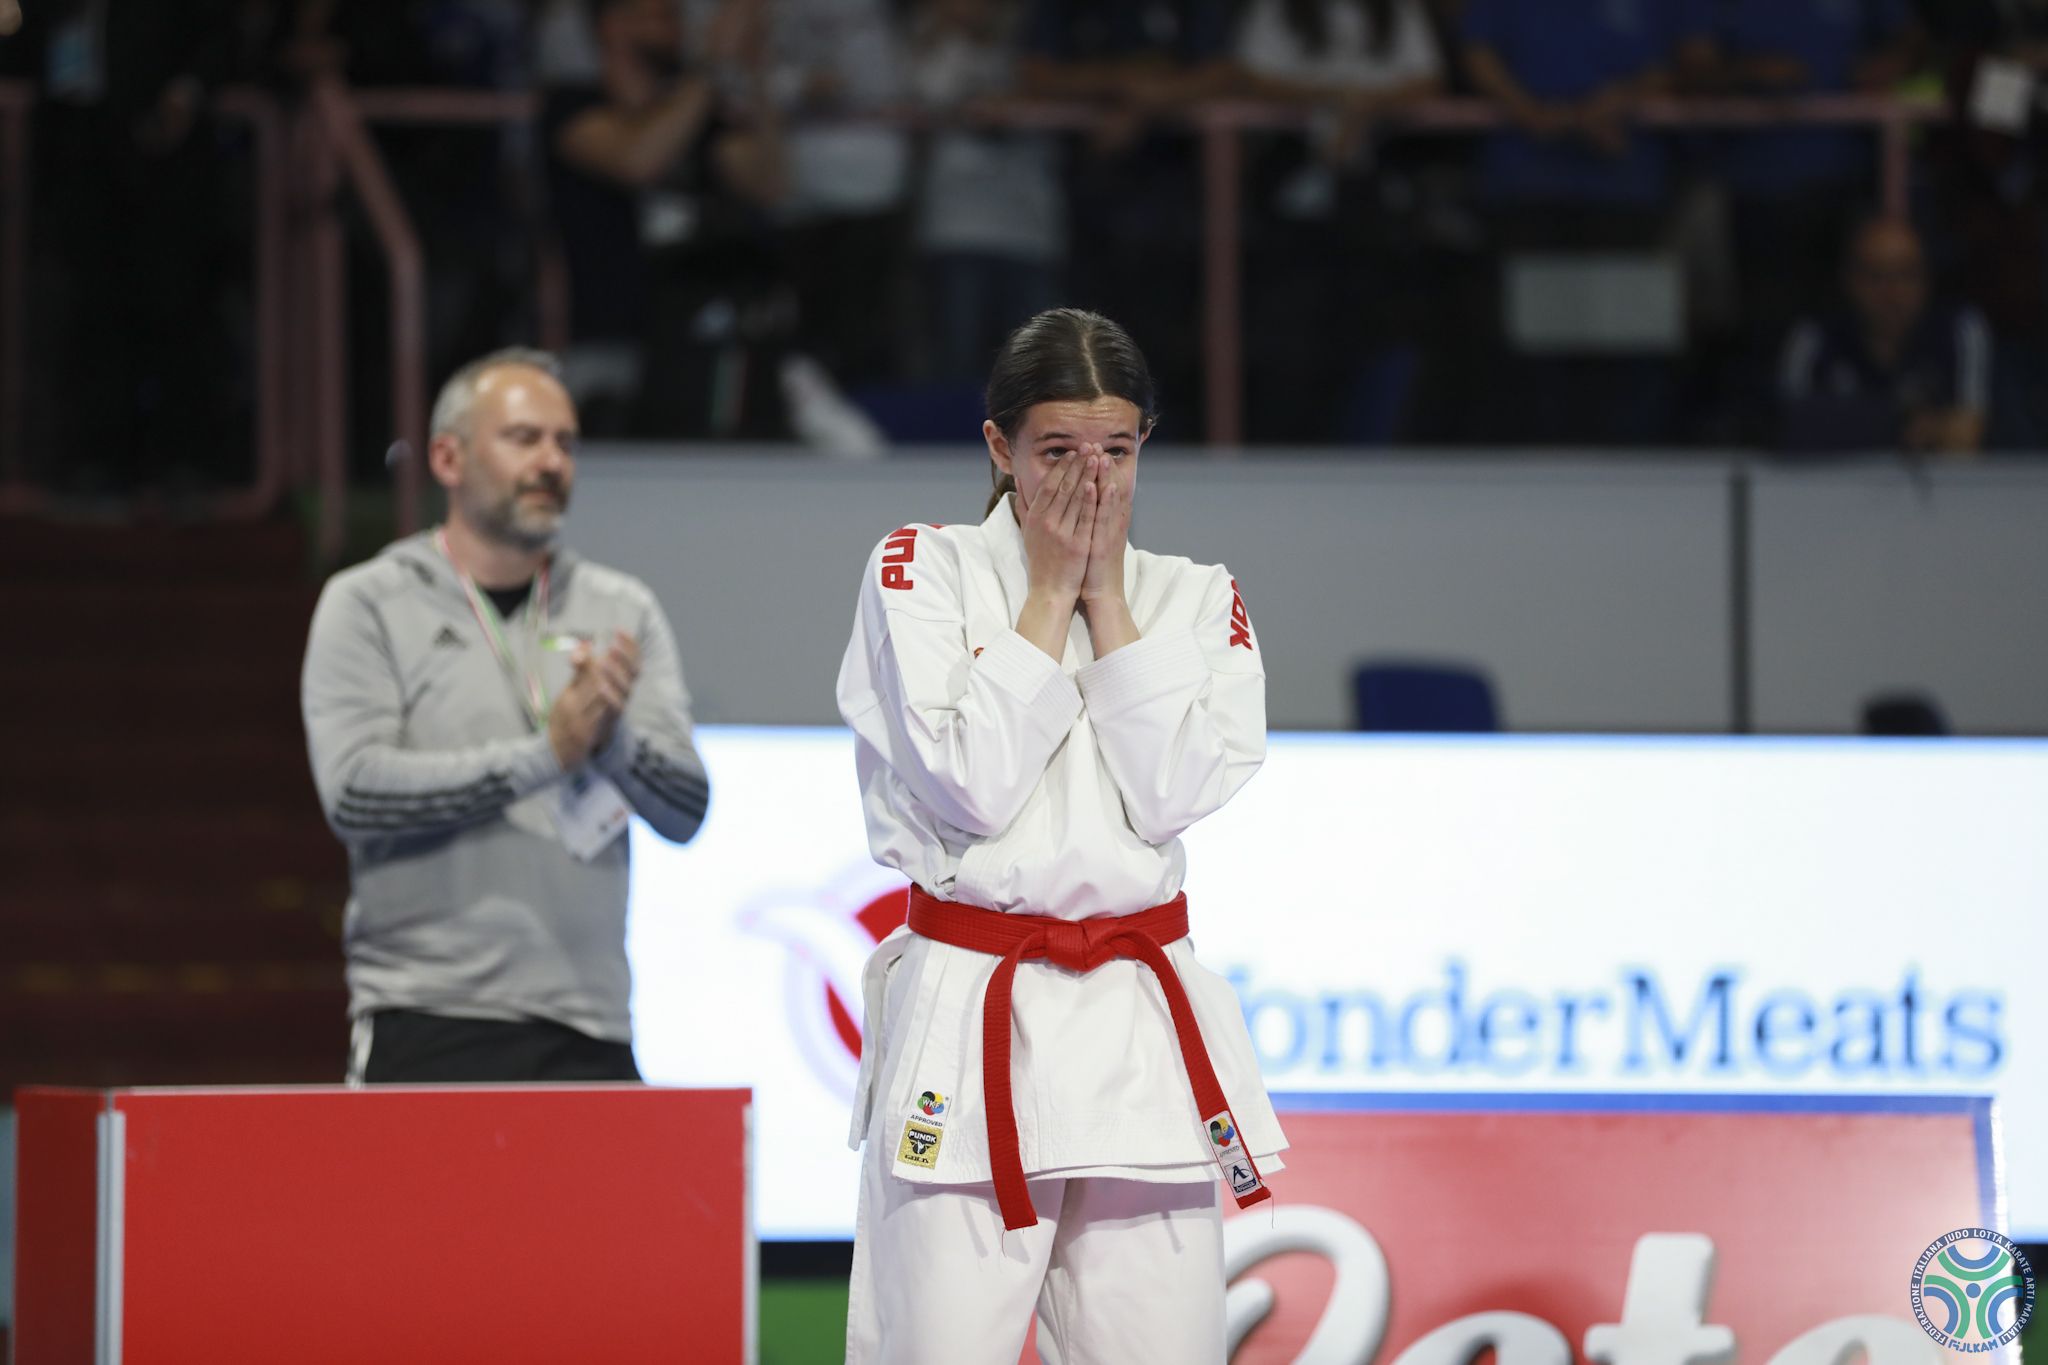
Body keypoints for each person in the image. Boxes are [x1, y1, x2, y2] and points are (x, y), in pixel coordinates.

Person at [835, 309, 1285, 1364]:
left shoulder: (1197, 595)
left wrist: (1110, 605)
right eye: (1056, 452)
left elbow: (1173, 793)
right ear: (998, 450)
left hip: (1136, 1017)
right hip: (971, 1000)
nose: (1091, 481)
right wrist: (1047, 593)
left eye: (1116, 451)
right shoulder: (919, 571)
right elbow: (970, 783)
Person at [301, 348, 711, 1083]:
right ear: (448, 457)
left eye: (565, 442)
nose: (552, 461)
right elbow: (355, 794)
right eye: (524, 438)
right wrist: (547, 754)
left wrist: (611, 744)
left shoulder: (622, 608)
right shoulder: (368, 602)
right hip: (427, 1014)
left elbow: (687, 809)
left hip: (591, 1021)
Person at [1776, 216, 1992, 455]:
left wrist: (1847, 423)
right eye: (1876, 276)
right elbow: (1791, 431)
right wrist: (1903, 425)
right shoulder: (1815, 339)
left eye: (1906, 275)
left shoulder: (1957, 332)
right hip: (1834, 488)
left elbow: (1968, 437)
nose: (1892, 293)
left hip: (1938, 490)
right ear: (1849, 280)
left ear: (1927, 279)